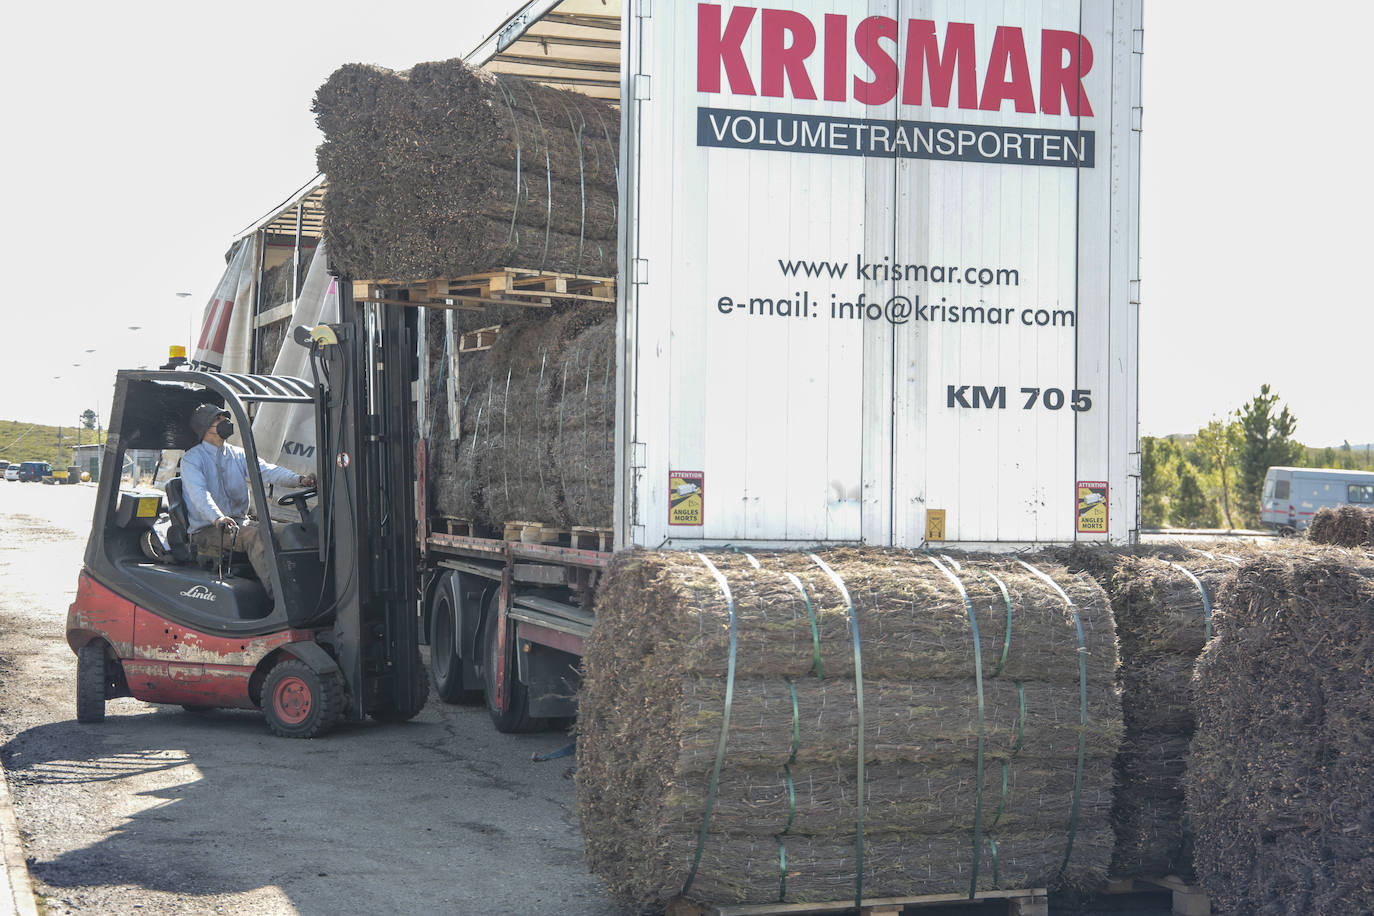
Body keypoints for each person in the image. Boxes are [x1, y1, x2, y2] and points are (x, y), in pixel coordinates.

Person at [180, 403, 316, 601]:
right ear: (205, 428)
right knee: (255, 536)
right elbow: (198, 493)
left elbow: (267, 470)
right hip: (209, 529)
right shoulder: (192, 460)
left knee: (290, 531)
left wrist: (298, 480)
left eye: (224, 418)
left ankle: (306, 591)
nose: (225, 422)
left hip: (238, 523)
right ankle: (281, 600)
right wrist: (217, 517)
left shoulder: (236, 454)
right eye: (218, 419)